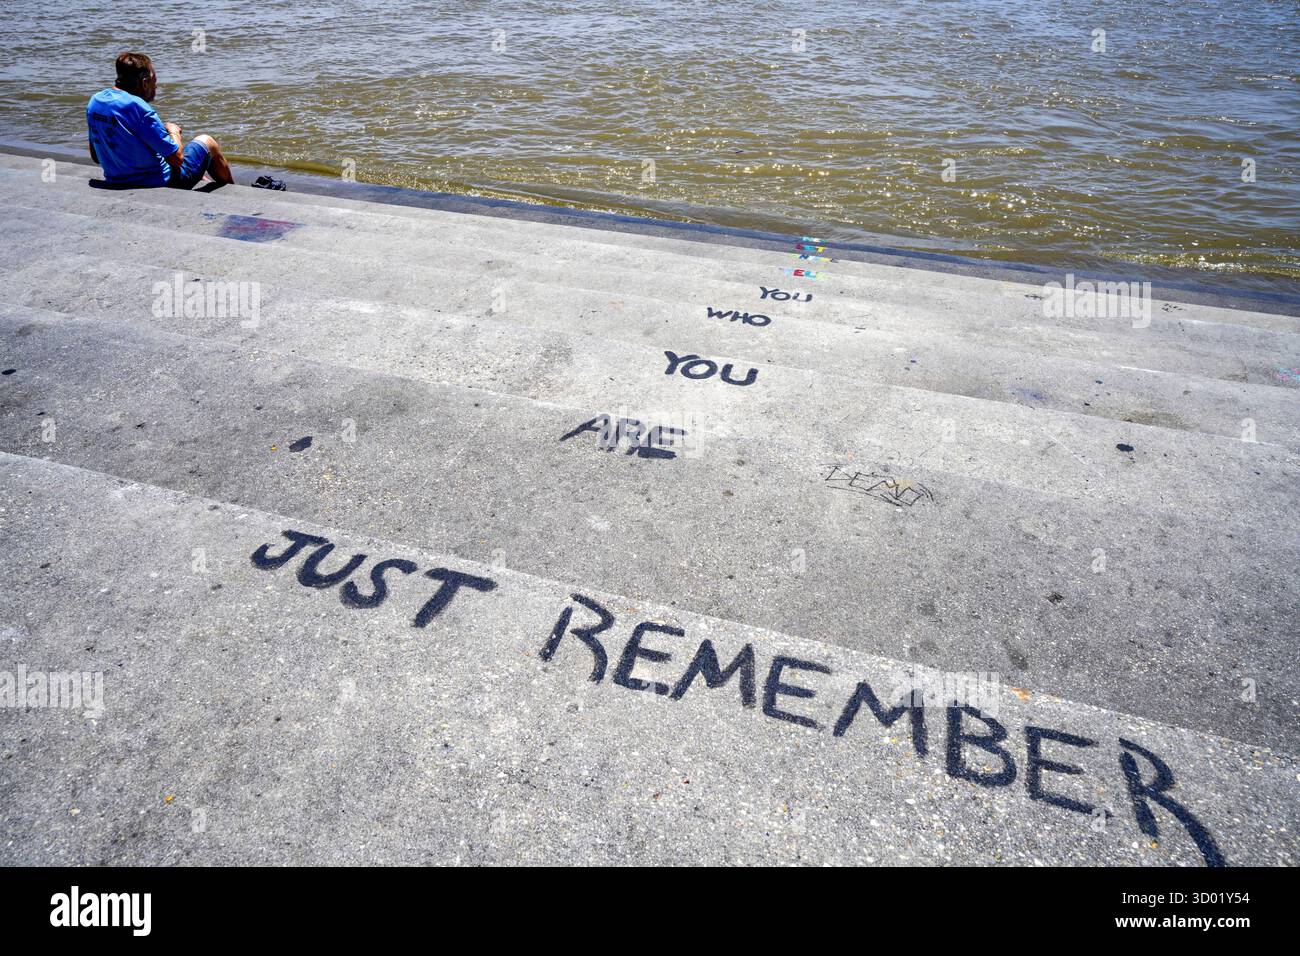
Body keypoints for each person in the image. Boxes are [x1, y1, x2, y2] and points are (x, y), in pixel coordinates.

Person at [86, 52, 234, 189]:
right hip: (161, 183)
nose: (156, 86)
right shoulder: (139, 108)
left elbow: (96, 157)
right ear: (144, 82)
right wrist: (174, 132)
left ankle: (201, 174)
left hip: (115, 179)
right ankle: (233, 190)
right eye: (154, 81)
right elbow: (177, 160)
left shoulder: (95, 102)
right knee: (207, 141)